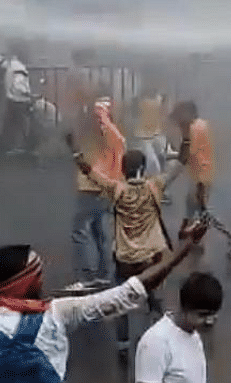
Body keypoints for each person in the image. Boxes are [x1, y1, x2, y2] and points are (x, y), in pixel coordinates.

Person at [0, 221, 208, 383]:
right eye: (38, 274)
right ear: (27, 283)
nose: (43, 280)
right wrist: (185, 248)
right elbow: (130, 291)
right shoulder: (57, 315)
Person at [73, 142, 187, 355]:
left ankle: (123, 345)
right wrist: (187, 138)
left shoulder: (117, 190)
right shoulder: (155, 186)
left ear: (123, 170)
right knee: (154, 299)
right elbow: (180, 164)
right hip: (151, 258)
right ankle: (158, 340)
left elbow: (90, 172)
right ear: (143, 168)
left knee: (121, 301)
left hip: (125, 259)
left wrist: (75, 151)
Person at [66, 96, 125, 292]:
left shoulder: (104, 133)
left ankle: (86, 277)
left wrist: (74, 149)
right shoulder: (115, 135)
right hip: (106, 190)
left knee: (80, 232)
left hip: (91, 188)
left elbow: (86, 166)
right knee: (100, 233)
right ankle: (104, 274)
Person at [170, 101, 231, 257]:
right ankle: (190, 237)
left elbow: (186, 154)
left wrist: (168, 176)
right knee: (192, 207)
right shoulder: (200, 125)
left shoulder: (195, 128)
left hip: (201, 178)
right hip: (200, 174)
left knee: (202, 210)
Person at [135, 272, 223, 383]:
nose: (209, 321)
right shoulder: (156, 342)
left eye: (213, 314)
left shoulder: (194, 335)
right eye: (203, 315)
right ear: (185, 308)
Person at [0, 42, 34, 165]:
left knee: (10, 128)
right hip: (19, 100)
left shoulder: (11, 66)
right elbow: (19, 85)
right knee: (19, 128)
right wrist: (28, 94)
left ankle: (0, 154)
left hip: (13, 100)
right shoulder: (17, 66)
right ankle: (16, 152)